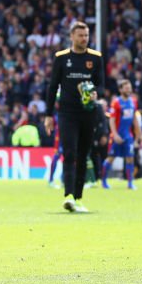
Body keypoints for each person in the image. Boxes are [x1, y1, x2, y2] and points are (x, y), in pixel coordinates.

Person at [43, 22, 105, 213]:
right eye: (80, 35)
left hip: (88, 113)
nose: (84, 38)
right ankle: (69, 195)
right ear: (72, 36)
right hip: (67, 113)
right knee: (69, 153)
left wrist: (95, 93)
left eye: (86, 35)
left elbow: (101, 85)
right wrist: (48, 115)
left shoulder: (96, 58)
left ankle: (78, 197)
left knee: (82, 154)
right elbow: (53, 87)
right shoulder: (61, 58)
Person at [108, 79, 142, 190]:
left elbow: (134, 119)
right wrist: (115, 134)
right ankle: (103, 181)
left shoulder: (133, 101)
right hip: (117, 135)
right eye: (126, 88)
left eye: (130, 88)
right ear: (120, 89)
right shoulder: (116, 102)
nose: (129, 90)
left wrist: (140, 134)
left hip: (128, 135)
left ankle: (130, 183)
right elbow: (112, 120)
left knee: (130, 158)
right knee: (110, 158)